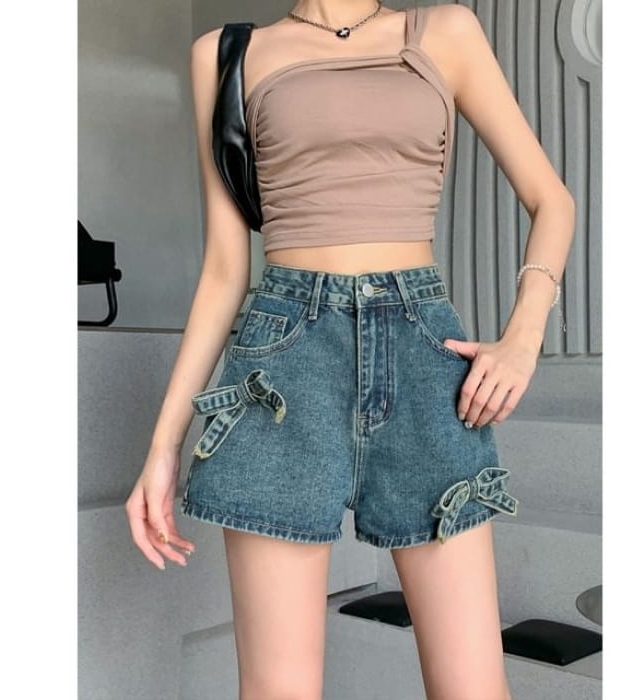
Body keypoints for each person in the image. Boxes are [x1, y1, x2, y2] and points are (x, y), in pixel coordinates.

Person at [125, 2, 575, 698]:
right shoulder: (224, 53)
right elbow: (224, 268)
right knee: (277, 690)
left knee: (473, 688)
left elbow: (552, 200)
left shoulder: (446, 32)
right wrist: (163, 445)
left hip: (423, 357)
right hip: (281, 368)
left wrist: (524, 338)